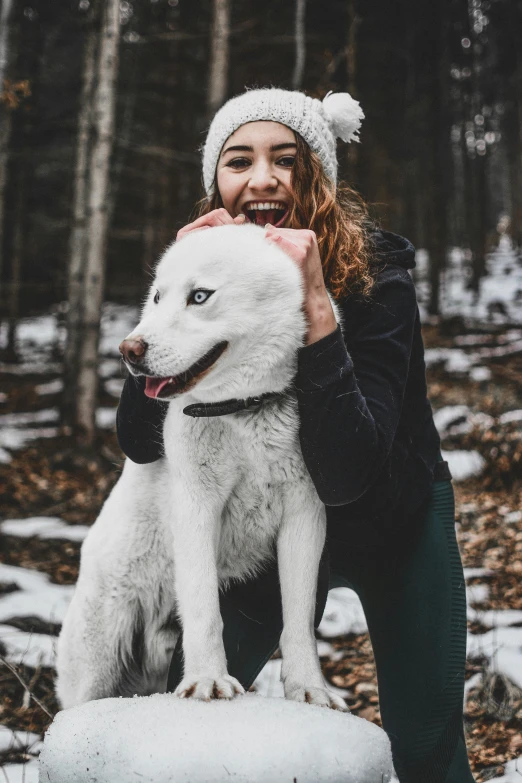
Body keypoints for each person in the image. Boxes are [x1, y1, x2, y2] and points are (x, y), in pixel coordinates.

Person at [116, 87, 476, 783]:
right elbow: (142, 439)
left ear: (319, 174)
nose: (262, 179)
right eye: (238, 161)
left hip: (393, 518)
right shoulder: (199, 266)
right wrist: (168, 305)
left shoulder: (379, 274)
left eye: (287, 159)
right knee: (197, 714)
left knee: (426, 743)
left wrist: (314, 301)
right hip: (262, 531)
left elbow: (347, 471)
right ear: (214, 181)